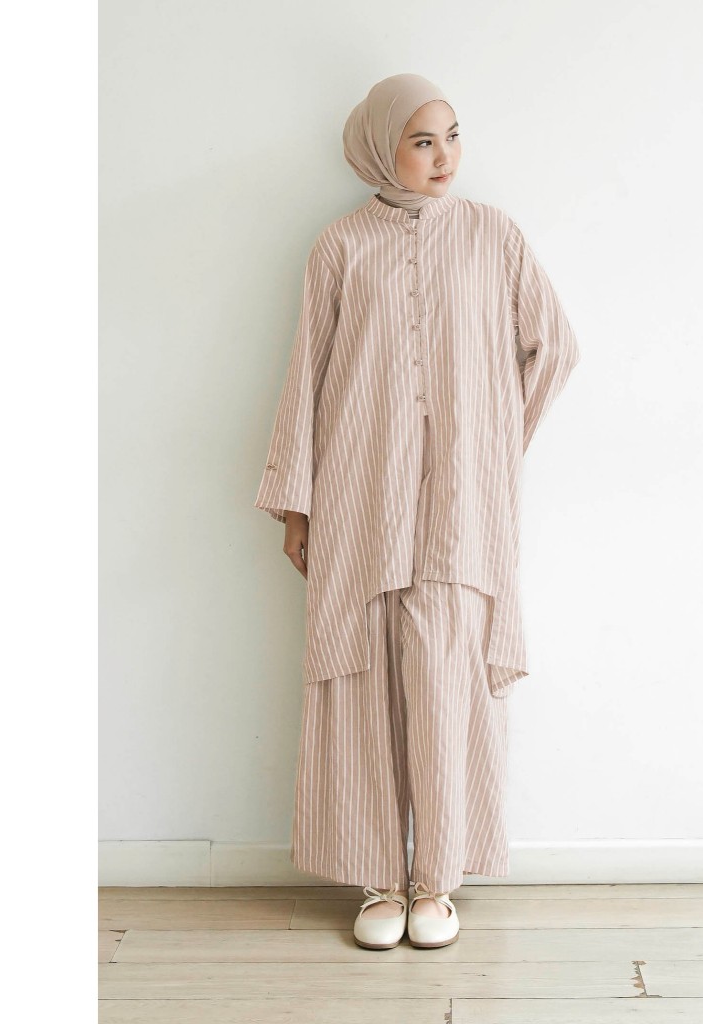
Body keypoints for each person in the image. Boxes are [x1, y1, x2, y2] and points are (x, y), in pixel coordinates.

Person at [252, 73, 580, 950]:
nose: (444, 157)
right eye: (423, 140)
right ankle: (376, 881)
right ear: (380, 147)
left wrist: (493, 441)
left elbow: (555, 346)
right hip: (358, 495)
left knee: (443, 677)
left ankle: (437, 879)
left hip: (460, 509)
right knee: (359, 677)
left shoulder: (493, 236)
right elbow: (307, 374)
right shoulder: (340, 246)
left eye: (453, 136)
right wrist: (295, 506)